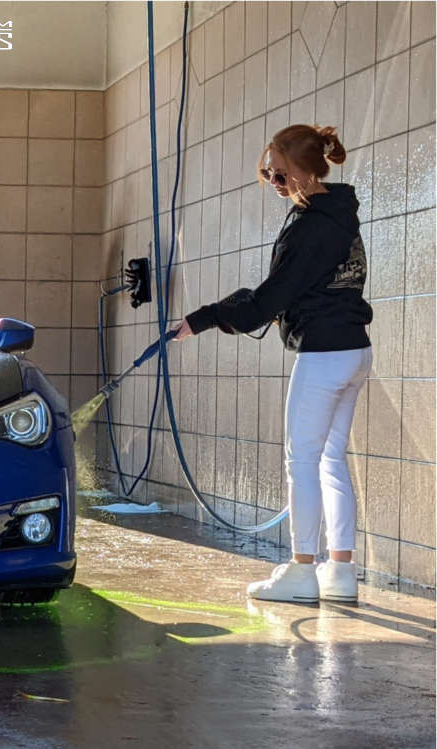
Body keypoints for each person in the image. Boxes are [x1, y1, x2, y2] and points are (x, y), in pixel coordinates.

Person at [173, 124, 373, 604]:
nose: (275, 184)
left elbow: (264, 304)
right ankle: (340, 570)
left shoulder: (310, 227)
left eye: (280, 175)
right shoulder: (340, 214)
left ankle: (302, 571)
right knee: (330, 458)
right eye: (270, 175)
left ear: (304, 172)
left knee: (301, 460)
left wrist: (203, 319)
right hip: (354, 350)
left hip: (323, 355)